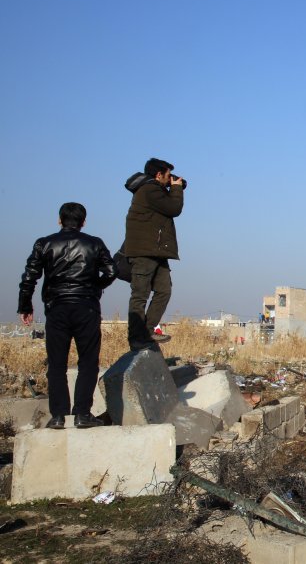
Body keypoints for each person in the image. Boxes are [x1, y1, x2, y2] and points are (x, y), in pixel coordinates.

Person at [17, 203, 115, 429]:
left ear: (59, 220)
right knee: (88, 362)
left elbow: (30, 276)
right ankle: (82, 414)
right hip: (86, 307)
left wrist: (25, 306)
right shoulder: (94, 243)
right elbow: (112, 271)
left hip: (57, 308)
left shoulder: (45, 243)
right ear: (84, 222)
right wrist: (94, 287)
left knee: (57, 364)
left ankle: (58, 416)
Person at [124, 158, 185, 352]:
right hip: (144, 253)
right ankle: (136, 337)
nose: (170, 180)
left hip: (156, 252)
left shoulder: (155, 191)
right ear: (159, 175)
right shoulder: (149, 190)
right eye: (168, 176)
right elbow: (174, 209)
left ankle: (147, 331)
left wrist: (174, 188)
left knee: (164, 290)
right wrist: (176, 189)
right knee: (140, 295)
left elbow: (168, 207)